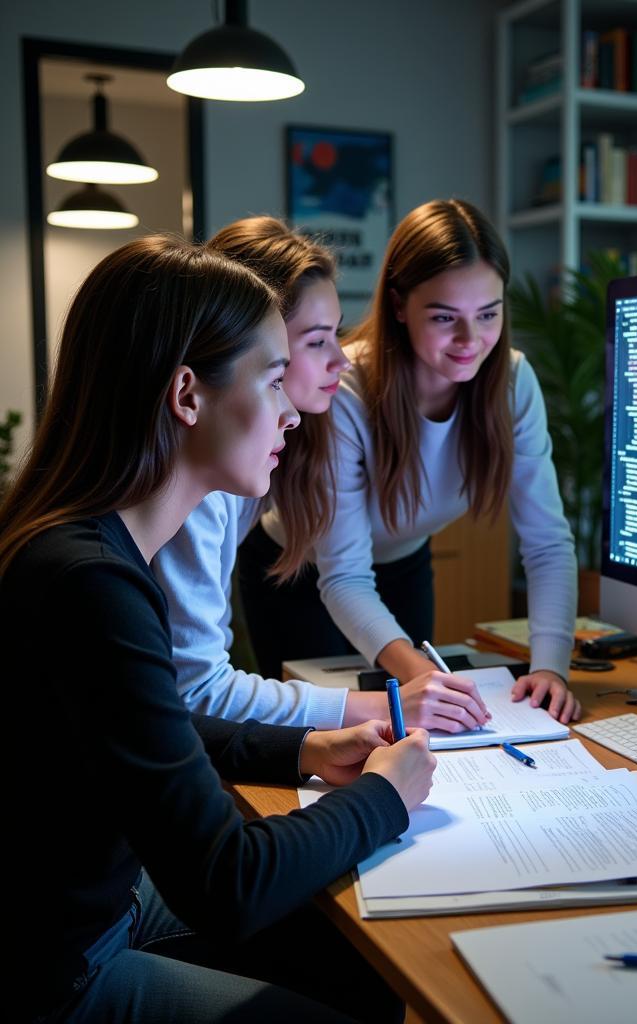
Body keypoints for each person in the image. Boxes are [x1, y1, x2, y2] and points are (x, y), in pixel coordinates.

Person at [2, 236, 436, 1023]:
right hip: (65, 968)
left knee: (362, 965)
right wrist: (385, 798)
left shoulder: (90, 546)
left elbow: (147, 728)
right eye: (273, 379)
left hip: (109, 900)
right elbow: (229, 884)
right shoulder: (91, 585)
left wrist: (298, 748)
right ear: (187, 396)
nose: (288, 412)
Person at [238, 199, 582, 723]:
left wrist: (551, 667)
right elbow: (345, 576)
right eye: (445, 318)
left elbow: (548, 542)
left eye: (488, 314)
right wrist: (421, 674)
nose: (471, 341)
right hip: (298, 573)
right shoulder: (345, 387)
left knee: (418, 727)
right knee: (319, 736)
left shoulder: (513, 382)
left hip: (403, 565)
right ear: (399, 304)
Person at [153, 216, 490, 735]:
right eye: (315, 342)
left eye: (336, 334)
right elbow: (196, 688)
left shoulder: (247, 468)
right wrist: (383, 707)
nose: (340, 360)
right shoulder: (196, 489)